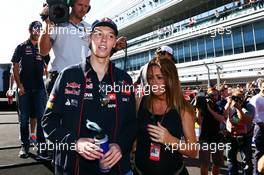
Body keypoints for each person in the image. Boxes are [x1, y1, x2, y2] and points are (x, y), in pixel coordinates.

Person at [42, 17, 137, 175]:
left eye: (110, 36)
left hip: (117, 169)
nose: (104, 39)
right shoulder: (68, 75)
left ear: (115, 43)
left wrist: (120, 145)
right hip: (72, 168)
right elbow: (48, 121)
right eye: (99, 34)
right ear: (89, 39)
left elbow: (132, 124)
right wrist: (74, 143)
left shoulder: (124, 80)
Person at [40, 0, 126, 94]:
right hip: (59, 78)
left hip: (82, 80)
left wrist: (114, 48)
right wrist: (47, 24)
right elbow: (43, 51)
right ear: (71, 4)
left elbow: (98, 55)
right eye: (80, 5)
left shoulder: (90, 29)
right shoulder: (57, 25)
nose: (83, 9)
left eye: (86, 6)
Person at [134, 57, 197, 175]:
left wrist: (170, 140)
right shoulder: (140, 101)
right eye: (150, 78)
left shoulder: (183, 109)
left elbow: (193, 151)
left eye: (159, 77)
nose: (154, 83)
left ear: (170, 79)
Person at [11, 21, 47, 158]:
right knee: (24, 118)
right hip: (24, 89)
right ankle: (24, 146)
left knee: (41, 117)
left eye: (40, 29)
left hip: (39, 89)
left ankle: (41, 146)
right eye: (36, 28)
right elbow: (14, 66)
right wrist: (19, 85)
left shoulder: (42, 48)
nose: (38, 31)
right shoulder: (21, 46)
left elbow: (48, 66)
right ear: (30, 30)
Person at [224, 89, 254, 175]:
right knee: (230, 159)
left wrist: (239, 108)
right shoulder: (230, 105)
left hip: (245, 136)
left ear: (244, 97)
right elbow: (224, 115)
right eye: (236, 98)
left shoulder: (249, 106)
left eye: (241, 98)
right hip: (231, 136)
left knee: (246, 160)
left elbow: (244, 120)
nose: (238, 100)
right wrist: (229, 103)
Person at [196, 87, 225, 175]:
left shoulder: (219, 105)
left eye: (216, 95)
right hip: (204, 139)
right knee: (204, 164)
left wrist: (209, 109)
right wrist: (199, 109)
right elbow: (199, 122)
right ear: (207, 95)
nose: (214, 97)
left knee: (217, 163)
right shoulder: (203, 105)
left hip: (217, 138)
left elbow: (221, 119)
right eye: (211, 95)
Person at [249, 78, 264, 175]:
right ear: (260, 87)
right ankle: (256, 173)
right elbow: (253, 115)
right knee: (259, 152)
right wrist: (260, 123)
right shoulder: (255, 99)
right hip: (260, 128)